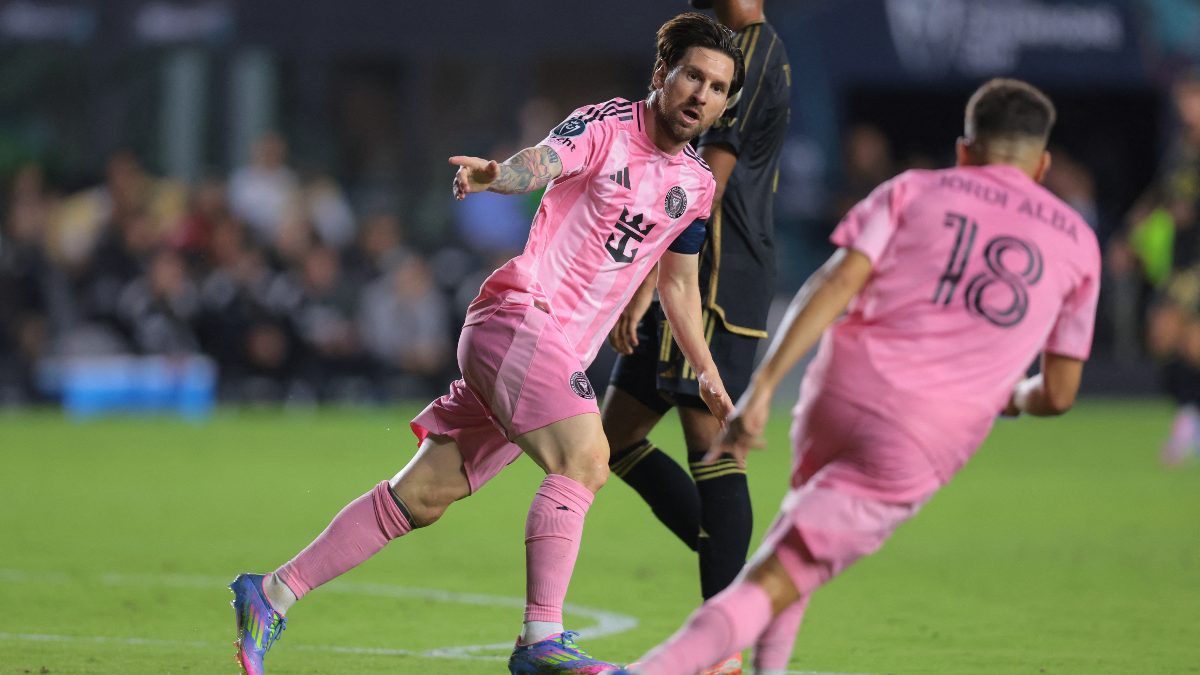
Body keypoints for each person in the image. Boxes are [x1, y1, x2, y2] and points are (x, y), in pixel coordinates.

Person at [228, 12, 744, 675]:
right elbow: (543, 161)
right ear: (660, 76)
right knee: (587, 455)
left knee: (420, 498)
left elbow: (678, 285)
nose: (702, 93)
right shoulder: (608, 126)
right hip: (517, 318)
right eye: (692, 75)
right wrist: (497, 174)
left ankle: (270, 594)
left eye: (719, 86)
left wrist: (704, 370)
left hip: (548, 357)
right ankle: (540, 641)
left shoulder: (696, 187)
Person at [610, 78, 1101, 675]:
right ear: (1043, 163)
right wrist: (1013, 396)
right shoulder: (1077, 240)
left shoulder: (913, 190)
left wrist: (765, 387)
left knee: (794, 543)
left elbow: (835, 282)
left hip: (839, 390)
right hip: (919, 435)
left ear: (965, 150)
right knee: (775, 577)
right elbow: (1058, 392)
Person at [601, 2, 789, 672]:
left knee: (710, 444)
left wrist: (647, 282)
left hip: (709, 272)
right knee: (612, 438)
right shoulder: (736, 45)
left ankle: (723, 643)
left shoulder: (750, 51)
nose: (705, 92)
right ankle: (741, 587)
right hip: (695, 261)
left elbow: (705, 180)